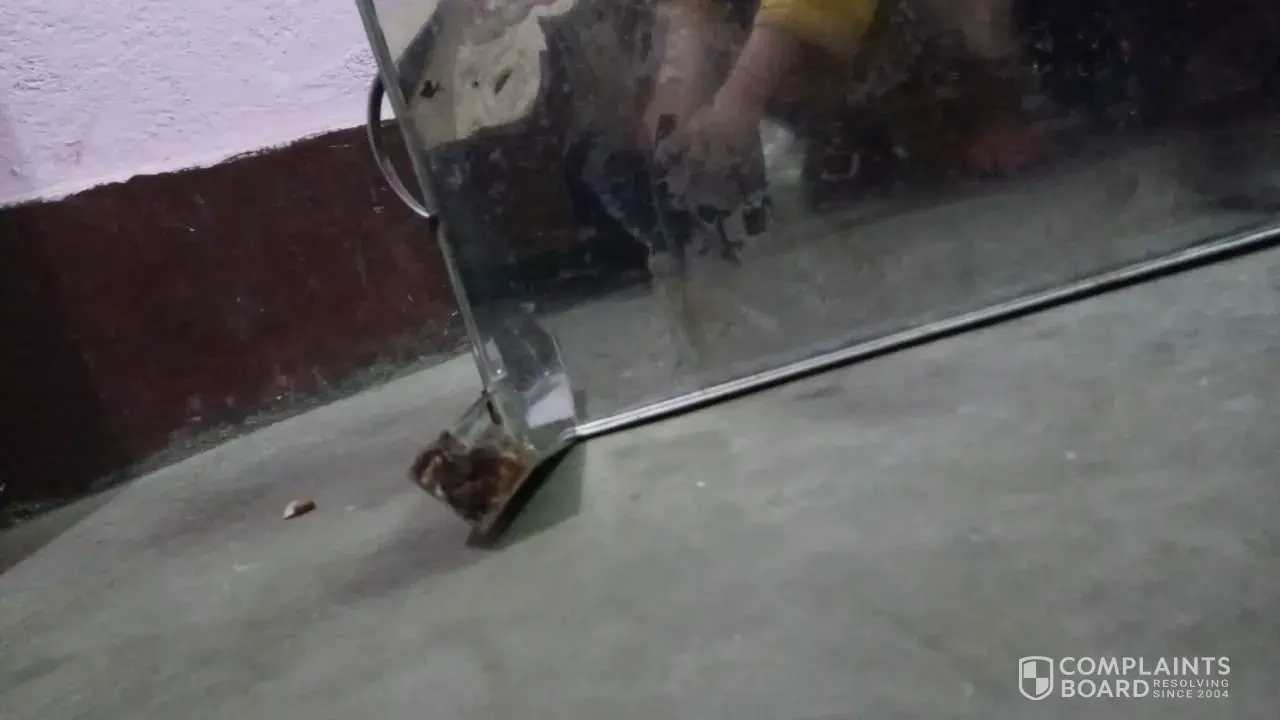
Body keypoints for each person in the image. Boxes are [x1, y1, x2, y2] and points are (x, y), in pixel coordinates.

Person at [641, 0, 1047, 200]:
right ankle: (844, 135)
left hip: (911, 40)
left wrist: (738, 100)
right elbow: (691, 19)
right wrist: (675, 110)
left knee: (965, 22)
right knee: (722, 32)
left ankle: (990, 112)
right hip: (846, 63)